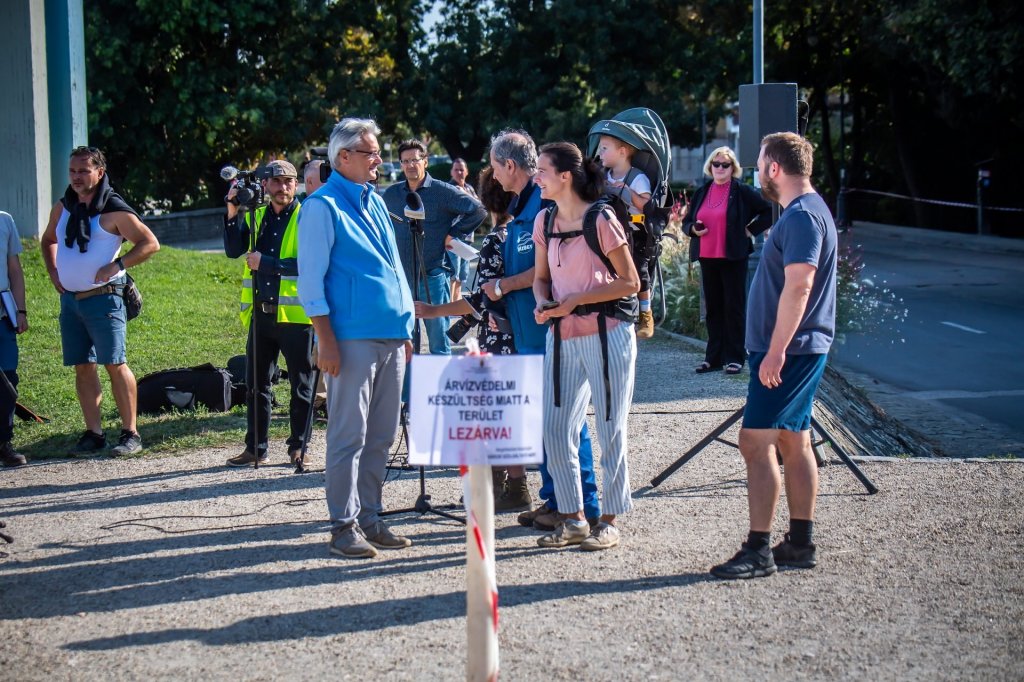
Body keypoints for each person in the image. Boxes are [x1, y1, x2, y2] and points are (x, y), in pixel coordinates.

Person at [710, 132, 838, 580]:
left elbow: (800, 285)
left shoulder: (802, 217)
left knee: (755, 441)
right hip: (797, 348)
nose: (756, 169)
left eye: (760, 162)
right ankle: (800, 544)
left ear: (775, 168)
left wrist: (776, 351)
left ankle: (758, 550)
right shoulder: (807, 211)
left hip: (790, 350)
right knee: (793, 440)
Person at [297, 117, 415, 559]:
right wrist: (324, 339)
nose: (379, 160)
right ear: (342, 157)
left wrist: (404, 327)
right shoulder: (321, 207)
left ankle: (371, 516)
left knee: (382, 435)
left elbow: (394, 267)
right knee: (349, 435)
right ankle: (343, 525)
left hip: (388, 335)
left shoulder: (377, 202)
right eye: (370, 152)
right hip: (349, 339)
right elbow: (311, 282)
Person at [485, 129, 601, 528]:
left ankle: (584, 505)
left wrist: (503, 285)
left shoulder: (545, 203)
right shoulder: (522, 204)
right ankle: (554, 500)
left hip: (549, 330)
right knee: (543, 421)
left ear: (511, 165)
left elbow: (544, 269)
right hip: (527, 329)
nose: (494, 174)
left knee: (566, 420)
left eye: (496, 166)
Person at [532, 142, 640, 552]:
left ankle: (608, 521)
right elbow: (542, 279)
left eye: (542, 169)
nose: (536, 176)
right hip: (561, 336)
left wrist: (577, 300)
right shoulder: (544, 221)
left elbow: (630, 282)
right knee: (556, 428)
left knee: (611, 426)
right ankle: (574, 518)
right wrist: (543, 301)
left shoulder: (602, 218)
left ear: (565, 176)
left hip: (607, 332)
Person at [415, 166, 526, 509]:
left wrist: (431, 310)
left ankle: (500, 486)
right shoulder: (528, 233)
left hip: (498, 338)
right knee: (513, 415)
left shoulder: (496, 240)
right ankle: (515, 485)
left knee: (492, 416)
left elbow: (482, 297)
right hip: (523, 332)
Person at [40, 146, 159, 456]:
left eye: (83, 171)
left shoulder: (114, 209)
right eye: (72, 171)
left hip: (105, 300)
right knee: (83, 367)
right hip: (71, 302)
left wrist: (118, 265)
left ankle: (130, 433)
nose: (77, 177)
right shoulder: (64, 206)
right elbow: (48, 239)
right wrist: (54, 272)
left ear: (100, 173)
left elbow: (150, 243)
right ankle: (94, 434)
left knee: (115, 364)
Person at [223, 159, 315, 468]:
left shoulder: (307, 217)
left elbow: (313, 264)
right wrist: (233, 212)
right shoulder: (257, 215)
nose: (283, 187)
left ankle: (298, 447)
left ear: (296, 184)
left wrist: (269, 264)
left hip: (297, 318)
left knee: (301, 385)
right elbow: (234, 250)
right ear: (265, 185)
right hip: (262, 315)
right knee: (256, 384)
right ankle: (255, 447)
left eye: (288, 181)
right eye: (276, 181)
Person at [382, 140, 485, 355]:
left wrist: (453, 235)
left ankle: (439, 388)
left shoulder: (442, 191)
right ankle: (408, 388)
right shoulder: (391, 195)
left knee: (438, 343)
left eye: (415, 160)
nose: (410, 165)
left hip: (433, 277)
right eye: (405, 161)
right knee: (403, 344)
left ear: (425, 162)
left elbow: (478, 210)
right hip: (401, 279)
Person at [683, 146, 772, 375]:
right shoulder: (703, 191)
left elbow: (768, 211)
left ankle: (735, 358)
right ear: (710, 166)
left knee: (734, 308)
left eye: (725, 164)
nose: (720, 168)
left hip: (733, 256)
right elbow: (687, 222)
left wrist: (750, 230)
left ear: (733, 168)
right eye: (716, 164)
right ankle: (712, 358)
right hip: (707, 256)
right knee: (713, 309)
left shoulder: (741, 191)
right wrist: (693, 228)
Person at [597, 134, 655, 339]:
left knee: (639, 270)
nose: (599, 153)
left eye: (605, 148)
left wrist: (625, 191)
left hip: (635, 231)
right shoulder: (601, 176)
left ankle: (645, 312)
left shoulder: (637, 178)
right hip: (608, 231)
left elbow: (645, 205)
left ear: (622, 152)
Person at [0, 211, 28, 467]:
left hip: (2, 318)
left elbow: (14, 271)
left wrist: (20, 310)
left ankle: (4, 442)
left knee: (8, 381)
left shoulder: (5, 220)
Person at [447, 158, 478, 301]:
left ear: (466, 172)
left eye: (461, 169)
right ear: (451, 172)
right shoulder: (449, 189)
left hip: (467, 237)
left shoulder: (469, 188)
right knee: (453, 271)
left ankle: (457, 299)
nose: (459, 172)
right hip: (453, 237)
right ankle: (451, 302)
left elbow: (478, 206)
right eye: (456, 169)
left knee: (463, 273)